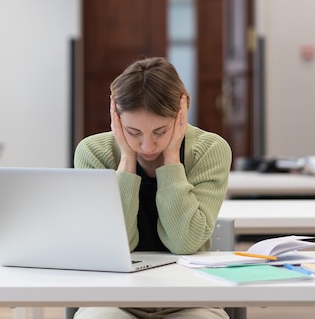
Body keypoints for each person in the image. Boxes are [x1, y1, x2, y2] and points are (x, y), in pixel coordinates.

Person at [73, 57, 232, 319]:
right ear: (116, 117)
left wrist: (171, 158)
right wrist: (126, 159)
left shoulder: (210, 150)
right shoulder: (93, 153)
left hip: (191, 297)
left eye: (160, 131)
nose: (147, 147)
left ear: (182, 113)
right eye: (133, 132)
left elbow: (184, 242)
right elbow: (117, 245)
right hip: (114, 296)